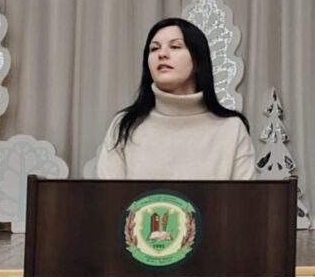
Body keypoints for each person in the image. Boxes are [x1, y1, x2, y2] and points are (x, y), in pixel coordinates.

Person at [97, 17, 255, 180]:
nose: (162, 54)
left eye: (175, 47)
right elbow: (109, 194)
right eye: (154, 48)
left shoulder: (231, 129)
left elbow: (245, 195)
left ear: (197, 60)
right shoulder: (124, 125)